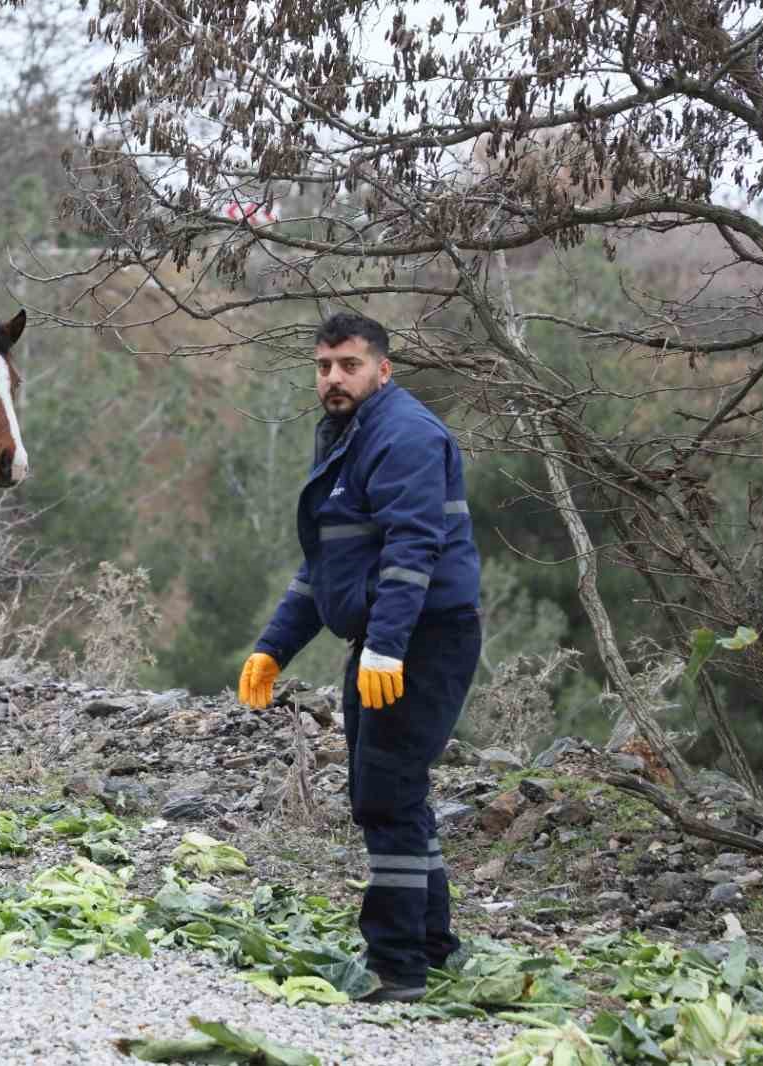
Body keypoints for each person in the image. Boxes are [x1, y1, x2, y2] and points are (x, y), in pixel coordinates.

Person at [238, 311, 482, 1003]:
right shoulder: (349, 434)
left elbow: (413, 552)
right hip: (386, 637)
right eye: (324, 367)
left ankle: (397, 967)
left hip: (423, 637)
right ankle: (432, 949)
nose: (334, 379)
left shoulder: (405, 436)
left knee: (386, 794)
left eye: (349, 365)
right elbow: (329, 566)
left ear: (383, 368)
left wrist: (386, 648)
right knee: (393, 792)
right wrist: (274, 647)